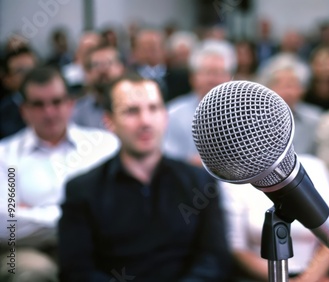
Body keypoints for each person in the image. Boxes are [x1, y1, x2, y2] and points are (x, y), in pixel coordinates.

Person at [58, 73, 230, 281]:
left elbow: (214, 258)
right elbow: (76, 270)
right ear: (109, 121)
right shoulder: (83, 190)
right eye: (132, 111)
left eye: (154, 108)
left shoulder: (200, 182)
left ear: (165, 116)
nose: (145, 121)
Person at [0, 66, 119, 282]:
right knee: (28, 273)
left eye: (56, 102)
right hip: (36, 252)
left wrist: (36, 212)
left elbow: (121, 204)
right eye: (38, 105)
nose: (49, 113)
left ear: (70, 104)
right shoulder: (6, 157)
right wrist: (77, 218)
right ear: (24, 110)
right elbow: (5, 223)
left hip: (101, 245)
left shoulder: (102, 146)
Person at [222, 154, 329, 282]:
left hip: (313, 276)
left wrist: (306, 279)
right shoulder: (235, 179)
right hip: (261, 277)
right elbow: (238, 248)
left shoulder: (313, 167)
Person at [163, 39, 236, 166]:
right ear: (193, 77)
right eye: (208, 72)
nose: (214, 80)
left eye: (220, 73)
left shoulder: (245, 113)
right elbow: (166, 159)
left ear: (230, 78)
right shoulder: (173, 113)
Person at [259, 53, 321, 155]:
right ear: (267, 88)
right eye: (281, 85)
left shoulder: (316, 120)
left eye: (292, 85)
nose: (288, 92)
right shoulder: (255, 122)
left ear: (302, 90)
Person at [71, 44, 125, 129]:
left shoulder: (138, 105)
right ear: (87, 73)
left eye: (109, 63)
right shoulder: (77, 112)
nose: (103, 69)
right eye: (96, 65)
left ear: (121, 68)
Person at [0, 47, 37, 140]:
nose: (29, 75)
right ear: (7, 80)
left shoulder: (56, 102)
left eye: (32, 69)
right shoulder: (3, 114)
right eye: (20, 71)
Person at [304, 47, 329, 111]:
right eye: (320, 64)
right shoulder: (304, 94)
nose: (324, 68)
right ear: (312, 65)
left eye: (328, 64)